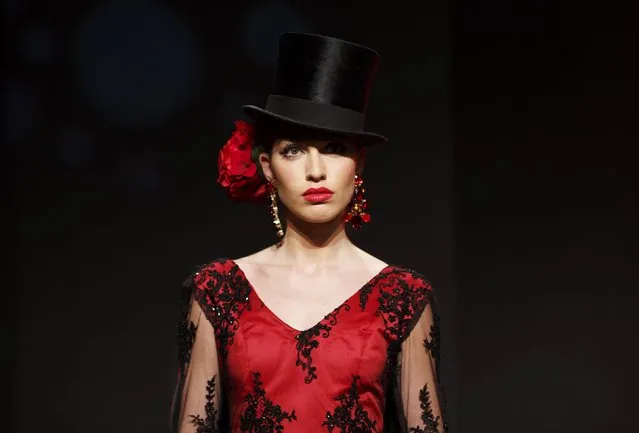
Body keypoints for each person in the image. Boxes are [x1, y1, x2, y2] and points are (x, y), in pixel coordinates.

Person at [169, 32, 448, 433]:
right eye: (293, 150)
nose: (315, 170)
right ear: (267, 166)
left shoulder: (401, 297)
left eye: (334, 148)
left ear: (358, 164)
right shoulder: (218, 291)